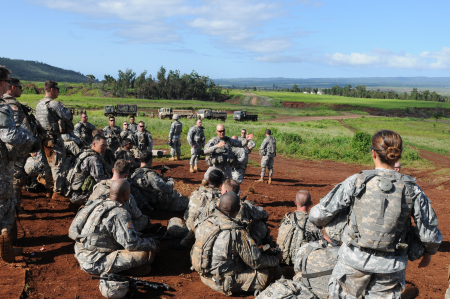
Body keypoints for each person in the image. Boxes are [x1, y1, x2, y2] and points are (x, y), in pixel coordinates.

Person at [309, 129, 442, 299]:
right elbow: (429, 235)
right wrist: (429, 254)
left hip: (353, 261)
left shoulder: (356, 181)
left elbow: (318, 215)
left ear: (373, 153)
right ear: (398, 155)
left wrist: (329, 227)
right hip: (391, 267)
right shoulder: (412, 189)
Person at [192, 191, 282, 296]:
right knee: (268, 272)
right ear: (239, 209)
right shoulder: (238, 233)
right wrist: (276, 259)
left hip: (204, 276)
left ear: (219, 205)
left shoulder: (206, 221)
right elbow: (256, 262)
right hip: (223, 282)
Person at [70, 179, 159, 276]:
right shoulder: (120, 213)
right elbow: (130, 243)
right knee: (145, 254)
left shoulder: (98, 204)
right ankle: (124, 270)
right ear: (126, 194)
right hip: (96, 261)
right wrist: (151, 243)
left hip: (81, 253)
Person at [0, 65, 37, 263]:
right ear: (3, 83)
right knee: (5, 201)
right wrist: (31, 141)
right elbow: (8, 135)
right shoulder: (3, 107)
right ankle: (5, 237)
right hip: (2, 164)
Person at [2, 77, 37, 217]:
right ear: (11, 87)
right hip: (13, 148)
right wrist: (29, 142)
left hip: (13, 147)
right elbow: (13, 128)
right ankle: (14, 209)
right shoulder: (10, 104)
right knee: (16, 178)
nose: (21, 90)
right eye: (19, 87)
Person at [87, 159, 151, 232]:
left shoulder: (98, 185)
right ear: (126, 174)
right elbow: (136, 215)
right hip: (111, 225)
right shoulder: (125, 192)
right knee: (143, 220)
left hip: (92, 222)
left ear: (113, 170)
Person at [35, 80, 73, 197]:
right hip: (54, 139)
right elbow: (67, 116)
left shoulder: (39, 104)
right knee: (58, 166)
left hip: (43, 139)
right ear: (52, 90)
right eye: (57, 89)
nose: (58, 92)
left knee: (47, 165)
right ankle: (57, 193)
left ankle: (49, 189)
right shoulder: (54, 104)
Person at [177, 170, 224, 248]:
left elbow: (188, 212)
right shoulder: (220, 198)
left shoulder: (196, 192)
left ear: (208, 180)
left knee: (173, 221)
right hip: (203, 234)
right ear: (221, 182)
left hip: (189, 228)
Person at [64, 135, 113, 205]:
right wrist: (114, 180)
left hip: (71, 191)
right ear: (94, 144)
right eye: (102, 146)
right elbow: (100, 179)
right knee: (109, 191)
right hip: (78, 195)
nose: (105, 148)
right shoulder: (93, 159)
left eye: (106, 146)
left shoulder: (84, 153)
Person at [276, 190, 320, 265]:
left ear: (295, 202)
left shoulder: (286, 219)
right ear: (310, 203)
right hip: (301, 265)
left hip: (281, 262)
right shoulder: (314, 224)